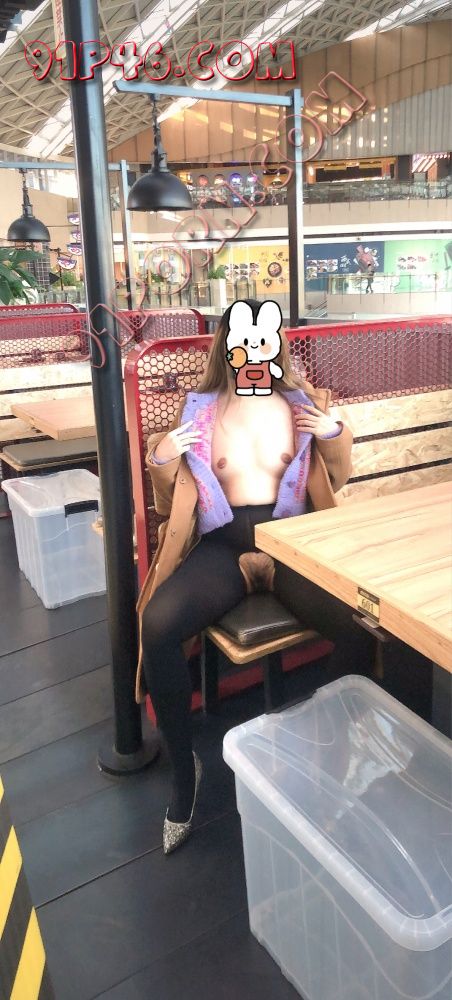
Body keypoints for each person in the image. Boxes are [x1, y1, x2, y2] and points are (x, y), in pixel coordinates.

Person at [137, 299, 377, 854]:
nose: (252, 353)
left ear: (276, 348)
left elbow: (337, 478)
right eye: (241, 343)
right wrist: (163, 458)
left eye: (263, 343)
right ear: (225, 348)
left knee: (361, 624)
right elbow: (172, 501)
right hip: (223, 545)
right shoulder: (199, 411)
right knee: (158, 625)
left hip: (291, 542)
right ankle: (184, 771)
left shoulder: (303, 404)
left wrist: (334, 432)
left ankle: (327, 747)